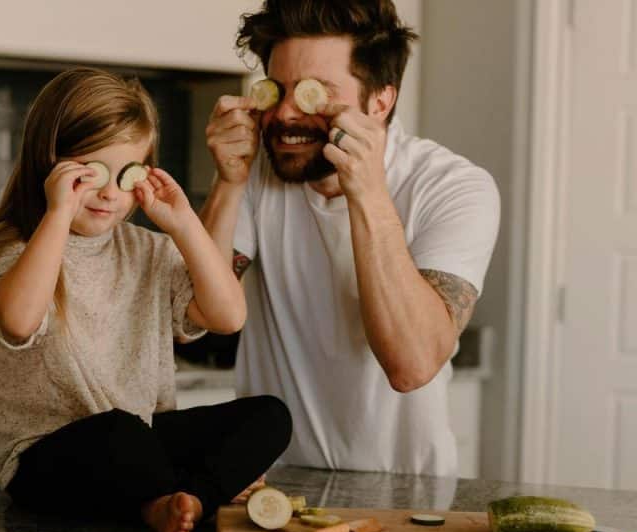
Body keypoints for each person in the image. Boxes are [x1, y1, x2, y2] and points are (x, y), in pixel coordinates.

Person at [0, 67, 292, 532]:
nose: (110, 193)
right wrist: (57, 214)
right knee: (119, 434)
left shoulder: (148, 249)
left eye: (125, 174)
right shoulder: (15, 249)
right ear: (52, 167)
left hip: (140, 445)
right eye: (92, 173)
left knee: (269, 416)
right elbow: (20, 320)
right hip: (50, 461)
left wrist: (184, 223)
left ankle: (184, 500)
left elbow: (228, 316)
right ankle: (184, 493)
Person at [201, 0, 500, 477]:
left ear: (380, 102)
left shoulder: (453, 186)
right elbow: (194, 319)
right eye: (276, 89)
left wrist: (368, 193)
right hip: (268, 482)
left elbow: (412, 364)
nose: (284, 113)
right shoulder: (256, 175)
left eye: (314, 94)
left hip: (407, 489)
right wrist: (228, 182)